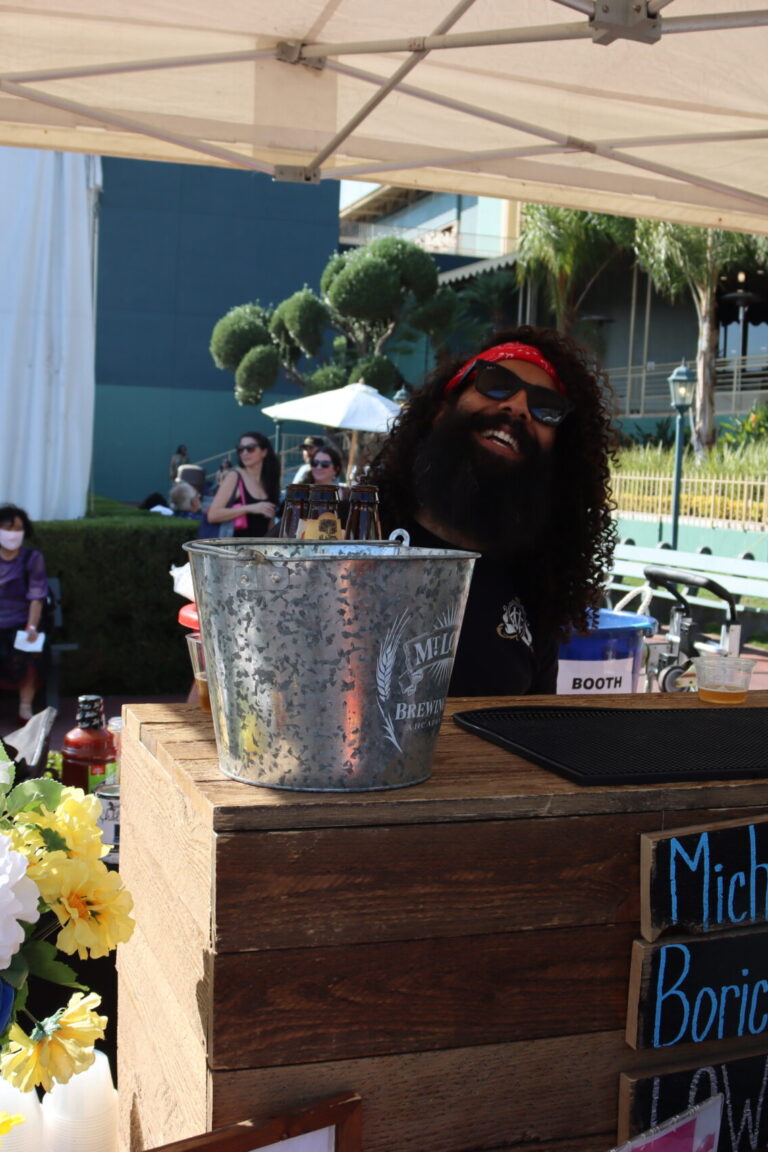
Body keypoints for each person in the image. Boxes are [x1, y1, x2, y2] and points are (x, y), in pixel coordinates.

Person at [368, 325, 617, 697]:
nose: (518, 407)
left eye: (546, 408)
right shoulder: (351, 536)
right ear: (441, 410)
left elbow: (534, 737)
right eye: (496, 382)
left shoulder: (536, 589)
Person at [0, 504, 49, 722]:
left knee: (31, 653)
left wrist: (32, 626)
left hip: (22, 623)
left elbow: (36, 596)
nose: (12, 534)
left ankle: (25, 707)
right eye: (7, 528)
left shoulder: (32, 558)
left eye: (18, 528)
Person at [207, 432, 281, 537]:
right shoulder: (235, 476)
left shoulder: (269, 481)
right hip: (235, 550)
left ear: (264, 452)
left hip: (259, 550)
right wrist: (249, 508)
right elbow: (213, 515)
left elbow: (270, 524)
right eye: (240, 449)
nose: (244, 453)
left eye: (250, 448)